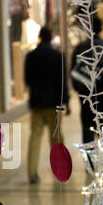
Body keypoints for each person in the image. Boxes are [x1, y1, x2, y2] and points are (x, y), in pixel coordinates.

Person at [23, 27, 68, 184]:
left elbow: (27, 80)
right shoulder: (57, 56)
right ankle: (60, 169)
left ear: (40, 37)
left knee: (35, 136)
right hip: (53, 103)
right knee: (56, 138)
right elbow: (62, 82)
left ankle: (32, 173)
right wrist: (66, 102)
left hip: (36, 103)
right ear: (51, 38)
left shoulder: (30, 56)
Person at [71, 14, 103, 144]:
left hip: (85, 94)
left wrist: (78, 88)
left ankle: (90, 162)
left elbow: (73, 70)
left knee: (87, 131)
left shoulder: (80, 48)